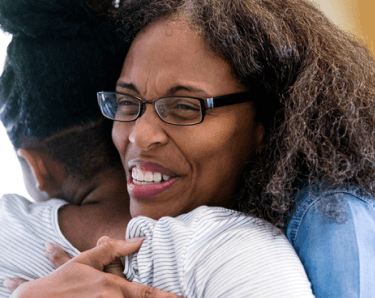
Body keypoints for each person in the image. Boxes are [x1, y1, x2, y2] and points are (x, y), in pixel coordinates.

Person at [5, 0, 375, 297]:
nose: (139, 135)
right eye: (127, 102)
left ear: (271, 122)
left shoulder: (329, 221)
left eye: (184, 107)